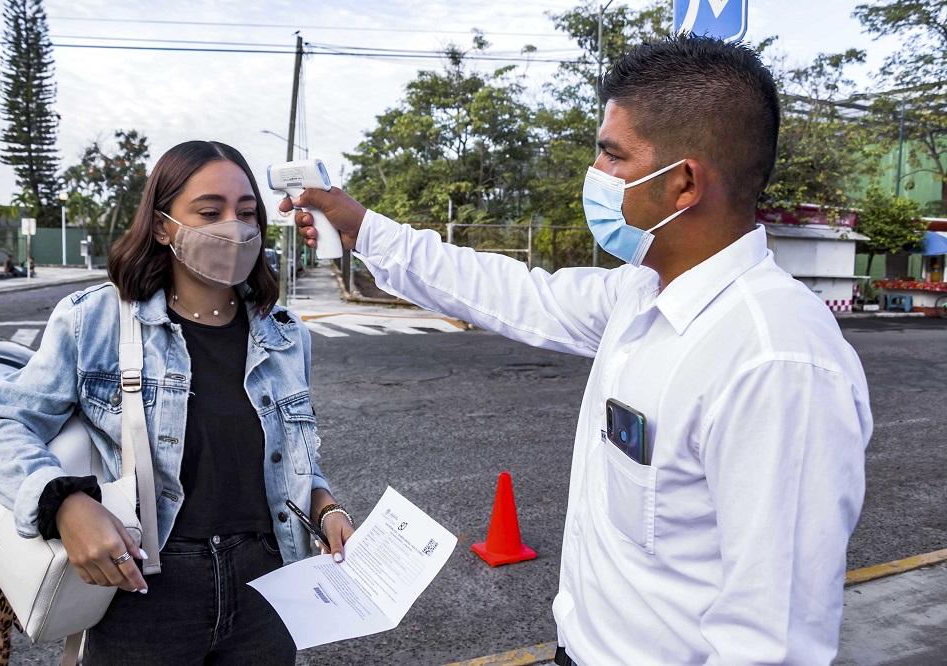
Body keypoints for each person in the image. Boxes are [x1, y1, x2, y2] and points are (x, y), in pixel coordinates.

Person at [284, 36, 872, 664]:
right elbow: (512, 294)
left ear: (684, 183)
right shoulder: (641, 293)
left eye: (612, 156)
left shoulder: (775, 362)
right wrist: (363, 228)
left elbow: (772, 644)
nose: (596, 177)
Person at [0, 140, 354, 665]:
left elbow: (291, 450)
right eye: (209, 212)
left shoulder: (285, 335)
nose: (234, 229)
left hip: (270, 583)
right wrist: (65, 503)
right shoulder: (96, 320)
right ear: (162, 224)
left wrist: (325, 507)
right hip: (146, 592)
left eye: (246, 213)